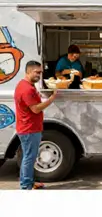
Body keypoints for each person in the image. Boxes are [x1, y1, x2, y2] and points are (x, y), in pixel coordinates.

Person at [15, 60, 57, 190]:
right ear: (28, 71)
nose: (39, 75)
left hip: (28, 128)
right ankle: (26, 186)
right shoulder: (26, 89)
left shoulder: (26, 85)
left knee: (29, 157)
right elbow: (35, 109)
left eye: (40, 72)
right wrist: (51, 99)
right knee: (29, 157)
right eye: (36, 72)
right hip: (29, 129)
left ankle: (29, 182)